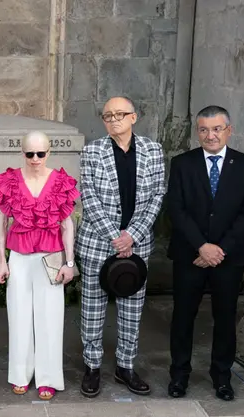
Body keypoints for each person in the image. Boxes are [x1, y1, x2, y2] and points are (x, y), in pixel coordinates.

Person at [167, 105, 244, 402]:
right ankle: (179, 376)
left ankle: (222, 377)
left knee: (224, 317)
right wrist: (201, 246)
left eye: (217, 129)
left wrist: (219, 250)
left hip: (228, 258)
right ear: (198, 131)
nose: (211, 135)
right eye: (204, 129)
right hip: (190, 255)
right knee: (183, 317)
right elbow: (176, 210)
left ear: (228, 130)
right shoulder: (182, 163)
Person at [75, 96, 165, 398]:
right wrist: (117, 237)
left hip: (136, 245)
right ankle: (92, 366)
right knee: (92, 309)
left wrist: (133, 236)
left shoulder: (153, 151)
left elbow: (157, 196)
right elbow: (89, 198)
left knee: (131, 309)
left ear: (133, 117)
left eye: (119, 114)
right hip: (99, 243)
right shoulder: (92, 151)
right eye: (107, 116)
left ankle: (125, 366)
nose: (113, 120)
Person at [0, 131, 79, 400]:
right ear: (23, 153)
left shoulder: (60, 182)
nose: (35, 158)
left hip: (50, 259)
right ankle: (20, 374)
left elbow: (67, 225)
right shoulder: (11, 181)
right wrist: (1, 260)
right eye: (30, 153)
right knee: (18, 317)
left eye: (40, 153)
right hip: (19, 258)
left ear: (49, 152)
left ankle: (48, 378)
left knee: (50, 319)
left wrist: (69, 262)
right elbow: (1, 222)